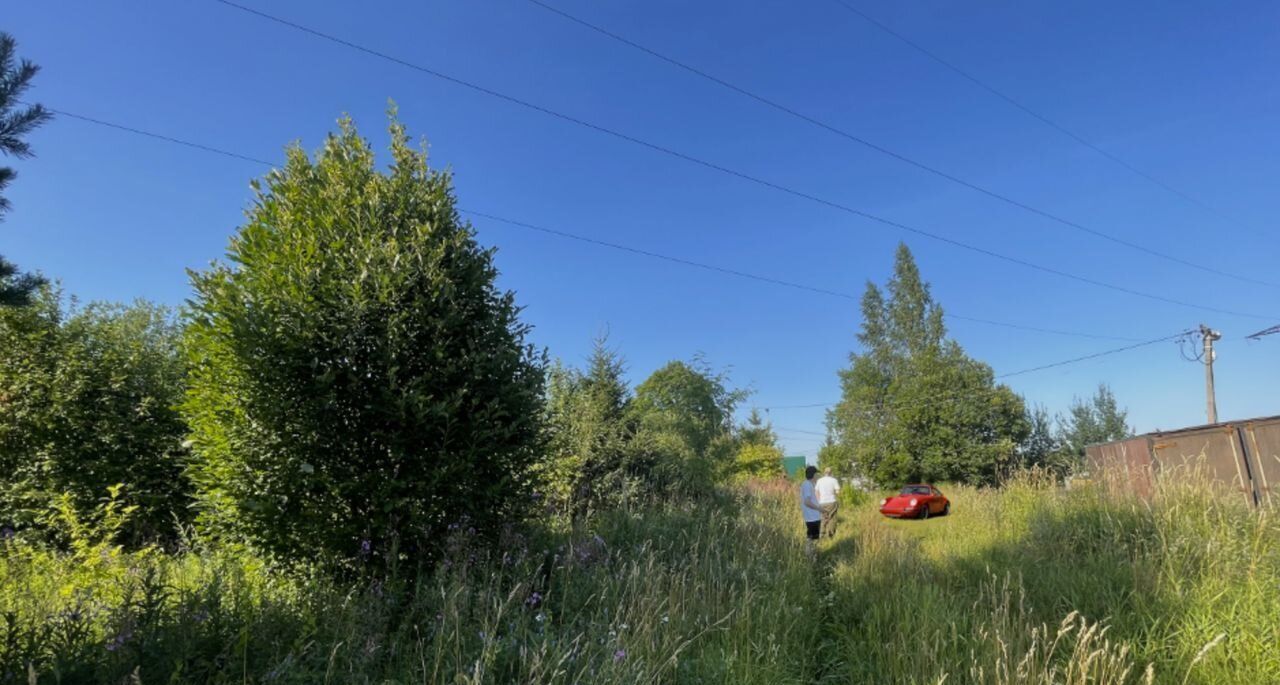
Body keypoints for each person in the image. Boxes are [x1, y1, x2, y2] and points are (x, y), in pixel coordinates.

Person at [799, 465, 822, 558]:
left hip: (813, 516)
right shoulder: (807, 484)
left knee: (812, 538)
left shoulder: (808, 484)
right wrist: (818, 508)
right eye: (817, 474)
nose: (818, 476)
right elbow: (807, 502)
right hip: (812, 517)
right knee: (811, 539)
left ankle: (811, 556)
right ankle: (811, 557)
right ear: (813, 474)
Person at [815, 467, 841, 539]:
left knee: (823, 518)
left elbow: (816, 491)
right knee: (832, 518)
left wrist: (818, 500)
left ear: (824, 472)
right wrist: (836, 496)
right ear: (831, 473)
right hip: (832, 502)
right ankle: (831, 535)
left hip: (822, 502)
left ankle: (821, 535)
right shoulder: (834, 480)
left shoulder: (819, 481)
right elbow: (838, 492)